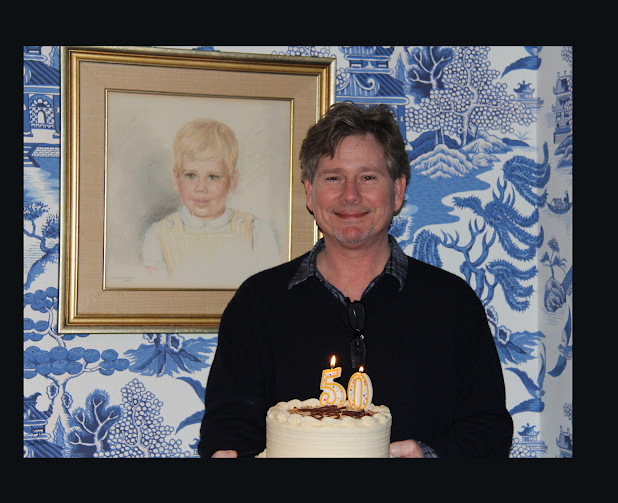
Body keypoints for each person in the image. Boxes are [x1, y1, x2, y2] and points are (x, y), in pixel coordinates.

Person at [198, 102, 513, 458]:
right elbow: (228, 425)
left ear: (398, 191)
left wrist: (429, 456)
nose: (350, 195)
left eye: (368, 177)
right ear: (310, 192)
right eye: (333, 178)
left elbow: (488, 430)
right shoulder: (257, 302)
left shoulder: (452, 303)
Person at [141, 118, 281, 288]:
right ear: (176, 178)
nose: (201, 187)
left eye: (213, 177)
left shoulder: (255, 232)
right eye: (191, 175)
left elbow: (269, 291)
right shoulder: (159, 236)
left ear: (232, 181)